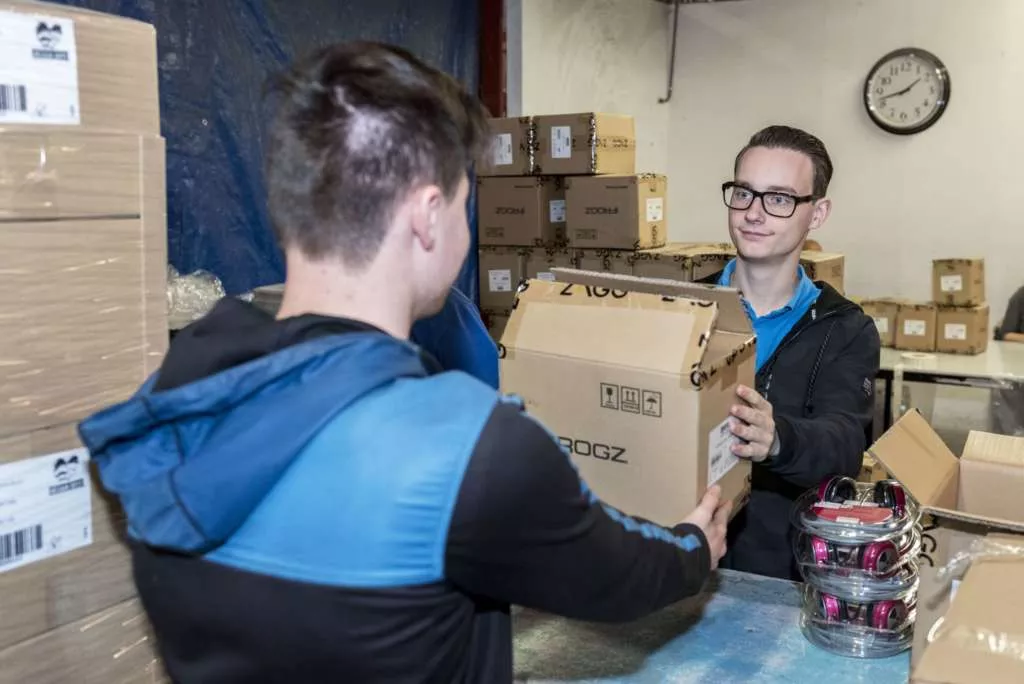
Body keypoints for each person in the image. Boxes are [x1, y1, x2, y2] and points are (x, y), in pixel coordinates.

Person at [77, 43, 730, 683]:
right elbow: (614, 576)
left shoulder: (178, 388)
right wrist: (693, 547)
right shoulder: (463, 444)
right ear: (428, 215)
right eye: (465, 204)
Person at [718, 125, 881, 581]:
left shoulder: (845, 329)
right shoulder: (682, 309)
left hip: (776, 579)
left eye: (779, 198)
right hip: (676, 565)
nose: (754, 213)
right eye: (744, 193)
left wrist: (777, 438)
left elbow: (843, 445)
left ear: (817, 214)